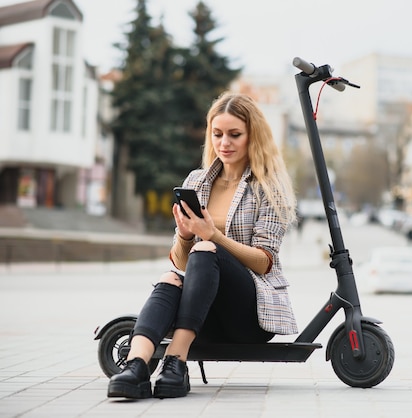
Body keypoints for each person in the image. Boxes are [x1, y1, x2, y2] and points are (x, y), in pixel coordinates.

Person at [107, 92, 298, 399]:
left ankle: (176, 362)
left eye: (235, 135)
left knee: (207, 249)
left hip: (249, 315)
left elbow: (264, 262)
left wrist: (214, 237)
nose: (224, 143)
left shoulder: (269, 188)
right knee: (171, 278)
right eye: (217, 134)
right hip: (201, 312)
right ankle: (136, 367)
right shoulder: (197, 182)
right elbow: (183, 265)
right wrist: (184, 235)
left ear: (253, 137)